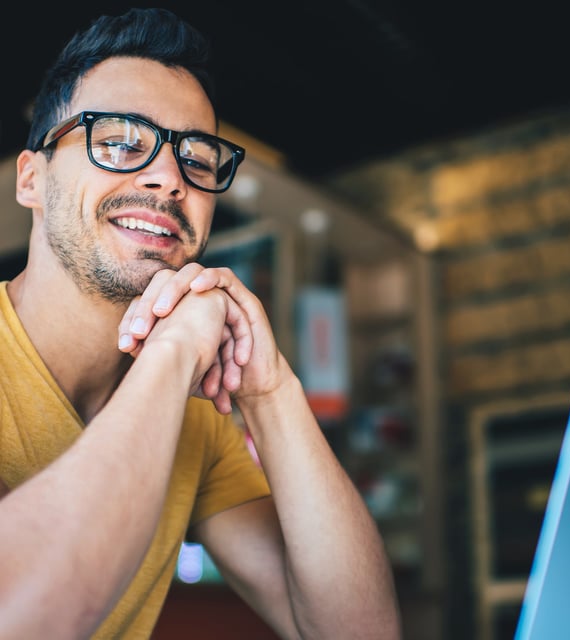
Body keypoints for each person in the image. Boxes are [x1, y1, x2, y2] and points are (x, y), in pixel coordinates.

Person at [0, 7, 401, 640]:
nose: (168, 179)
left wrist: (272, 394)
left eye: (198, 157)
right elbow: (22, 616)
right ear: (32, 177)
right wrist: (175, 352)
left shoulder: (198, 425)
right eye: (121, 141)